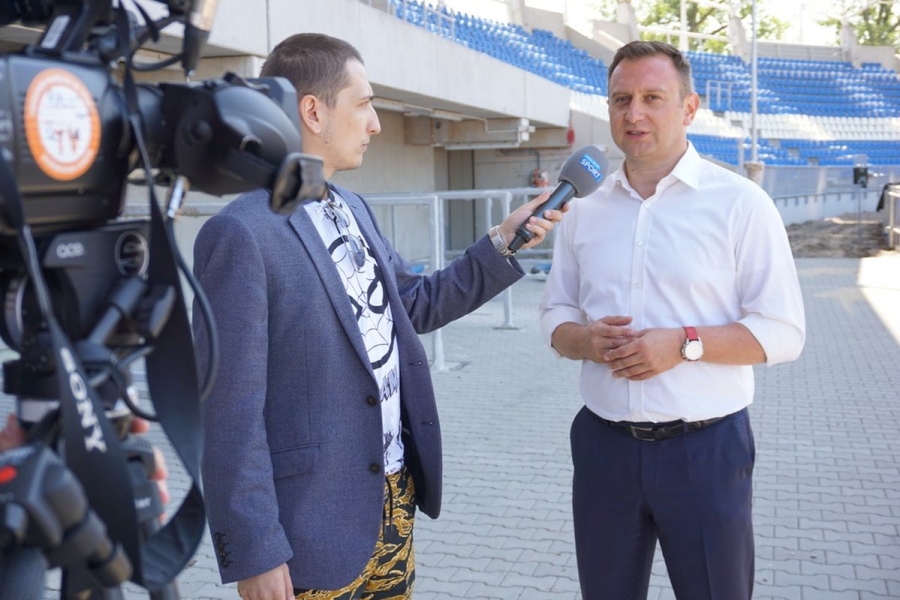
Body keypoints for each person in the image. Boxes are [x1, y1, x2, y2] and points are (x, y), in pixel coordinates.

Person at [192, 33, 564, 600]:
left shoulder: (352, 207)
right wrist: (254, 549)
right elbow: (229, 413)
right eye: (364, 103)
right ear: (313, 111)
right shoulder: (241, 234)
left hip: (390, 506)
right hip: (306, 534)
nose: (376, 123)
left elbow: (414, 304)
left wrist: (501, 242)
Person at [538, 41, 806, 600]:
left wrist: (684, 344)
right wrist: (584, 341)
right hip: (603, 448)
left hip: (705, 452)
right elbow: (556, 312)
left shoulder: (741, 204)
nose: (634, 113)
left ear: (689, 108)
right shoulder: (583, 207)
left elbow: (784, 332)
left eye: (652, 98)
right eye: (621, 99)